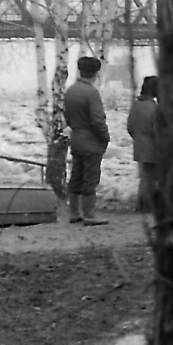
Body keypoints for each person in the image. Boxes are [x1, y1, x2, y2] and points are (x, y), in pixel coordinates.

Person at [64, 56, 110, 226]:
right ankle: (89, 214)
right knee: (91, 178)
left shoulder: (71, 90)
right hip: (91, 141)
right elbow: (97, 120)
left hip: (76, 139)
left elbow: (67, 116)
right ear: (95, 73)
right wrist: (105, 137)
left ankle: (74, 213)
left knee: (76, 176)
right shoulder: (92, 93)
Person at [127, 76, 159, 213]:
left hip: (139, 145)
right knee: (151, 178)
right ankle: (147, 205)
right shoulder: (155, 108)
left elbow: (130, 127)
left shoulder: (136, 105)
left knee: (145, 177)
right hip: (153, 147)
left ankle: (142, 204)